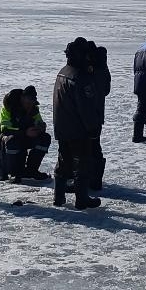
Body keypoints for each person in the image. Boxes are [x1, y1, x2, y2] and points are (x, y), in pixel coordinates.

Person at [52, 37, 102, 209]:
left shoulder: (63, 72)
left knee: (64, 159)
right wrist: (92, 127)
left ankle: (58, 196)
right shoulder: (81, 77)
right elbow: (85, 107)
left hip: (62, 126)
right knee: (83, 162)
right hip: (78, 128)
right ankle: (82, 199)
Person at [0, 86, 51, 182]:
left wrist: (40, 128)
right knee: (12, 141)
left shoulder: (33, 109)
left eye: (32, 102)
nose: (29, 105)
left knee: (45, 138)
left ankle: (31, 170)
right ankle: (13, 172)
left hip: (24, 135)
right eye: (27, 103)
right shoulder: (7, 107)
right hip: (2, 138)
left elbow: (39, 122)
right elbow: (5, 129)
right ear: (22, 98)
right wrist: (25, 133)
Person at [87, 41, 111, 190]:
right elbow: (106, 90)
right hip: (96, 113)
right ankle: (94, 180)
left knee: (89, 146)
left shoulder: (92, 69)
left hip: (88, 115)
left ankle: (92, 180)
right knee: (94, 145)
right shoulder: (102, 68)